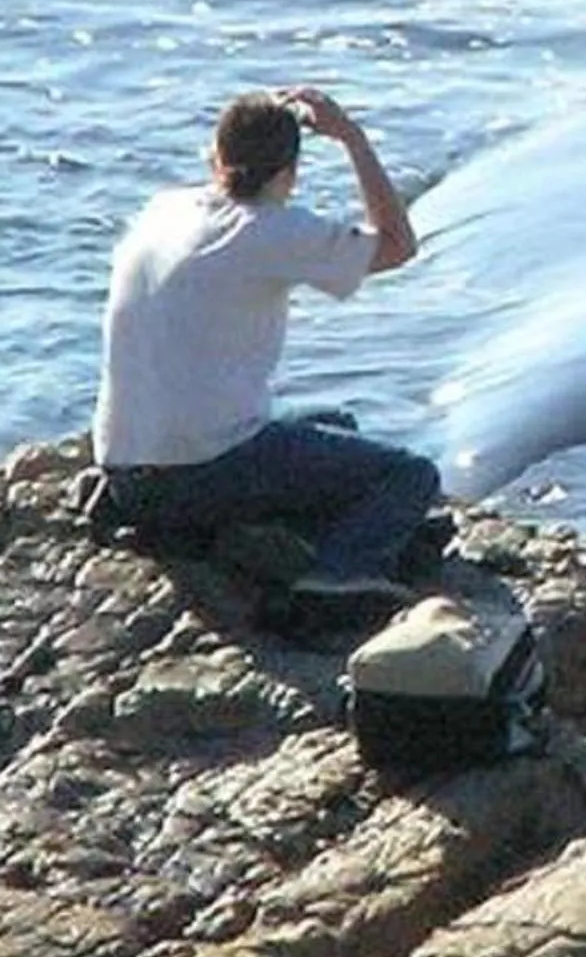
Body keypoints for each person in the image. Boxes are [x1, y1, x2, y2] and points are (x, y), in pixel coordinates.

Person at [91, 85, 441, 597]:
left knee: (335, 426)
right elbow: (397, 244)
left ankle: (199, 528)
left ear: (215, 156)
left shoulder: (166, 210)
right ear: (290, 173)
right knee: (409, 475)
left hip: (123, 468)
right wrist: (352, 139)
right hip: (197, 473)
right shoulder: (271, 229)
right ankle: (335, 579)